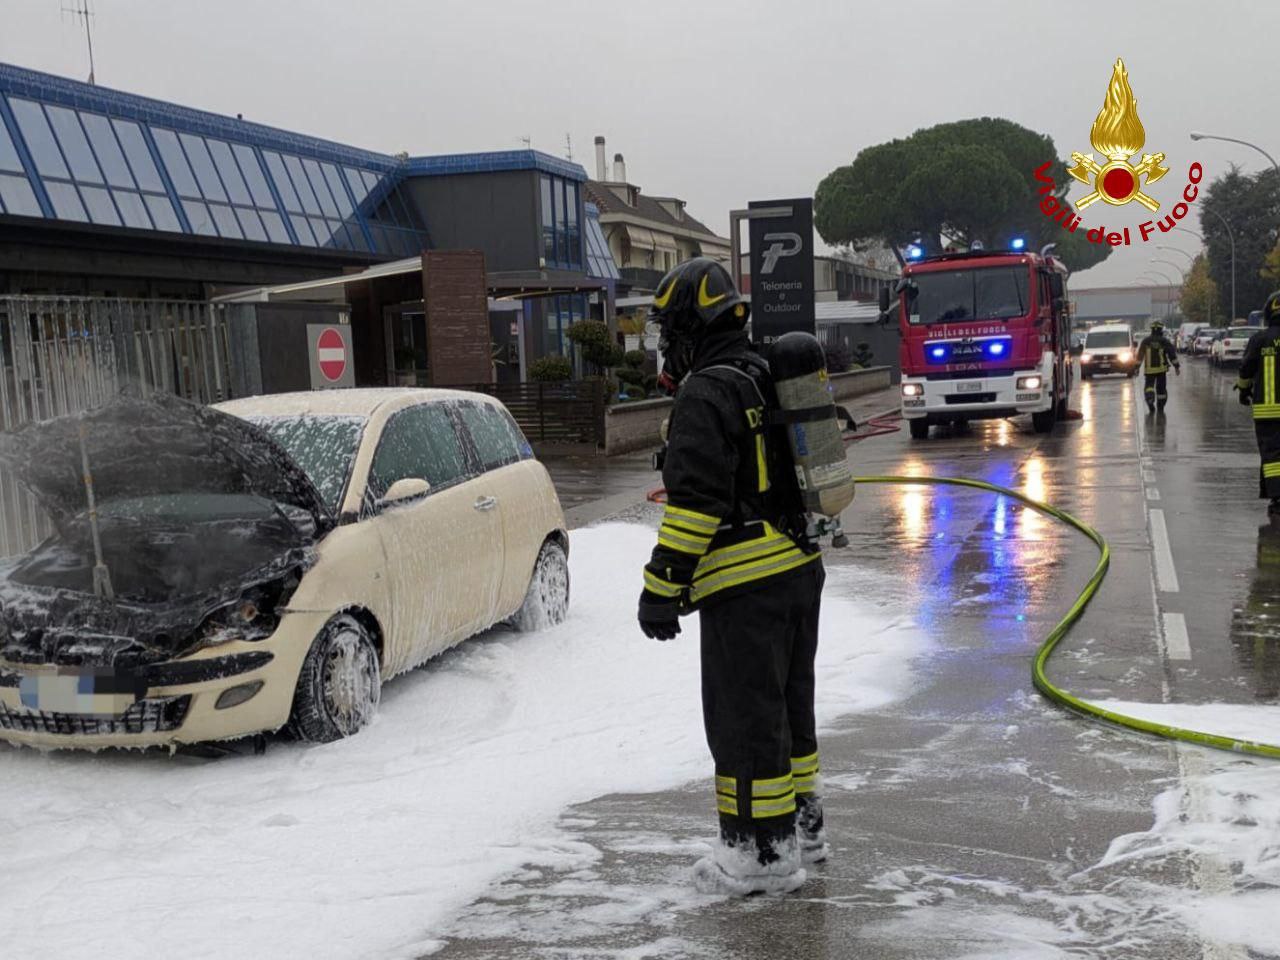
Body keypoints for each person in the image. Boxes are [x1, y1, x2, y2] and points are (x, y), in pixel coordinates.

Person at [636, 257, 826, 896]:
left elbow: (695, 507)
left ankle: (758, 860)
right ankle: (806, 833)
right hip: (801, 570)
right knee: (790, 713)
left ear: (694, 327)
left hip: (746, 587)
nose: (666, 345)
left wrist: (659, 592)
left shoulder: (705, 393)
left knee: (745, 724)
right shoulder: (768, 372)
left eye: (671, 331)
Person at [1235, 291, 1280, 516]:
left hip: (1269, 412)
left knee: (1272, 455)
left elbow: (1246, 369)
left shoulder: (1260, 340)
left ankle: (1278, 497)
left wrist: (1244, 391)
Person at [1134, 320, 1181, 414]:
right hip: (1161, 370)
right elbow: (1172, 354)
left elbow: (1140, 356)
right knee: (1161, 390)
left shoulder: (1145, 341)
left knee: (1149, 386)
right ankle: (1161, 406)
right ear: (1160, 330)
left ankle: (1150, 398)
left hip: (1149, 370)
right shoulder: (1164, 341)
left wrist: (1137, 368)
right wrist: (1176, 367)